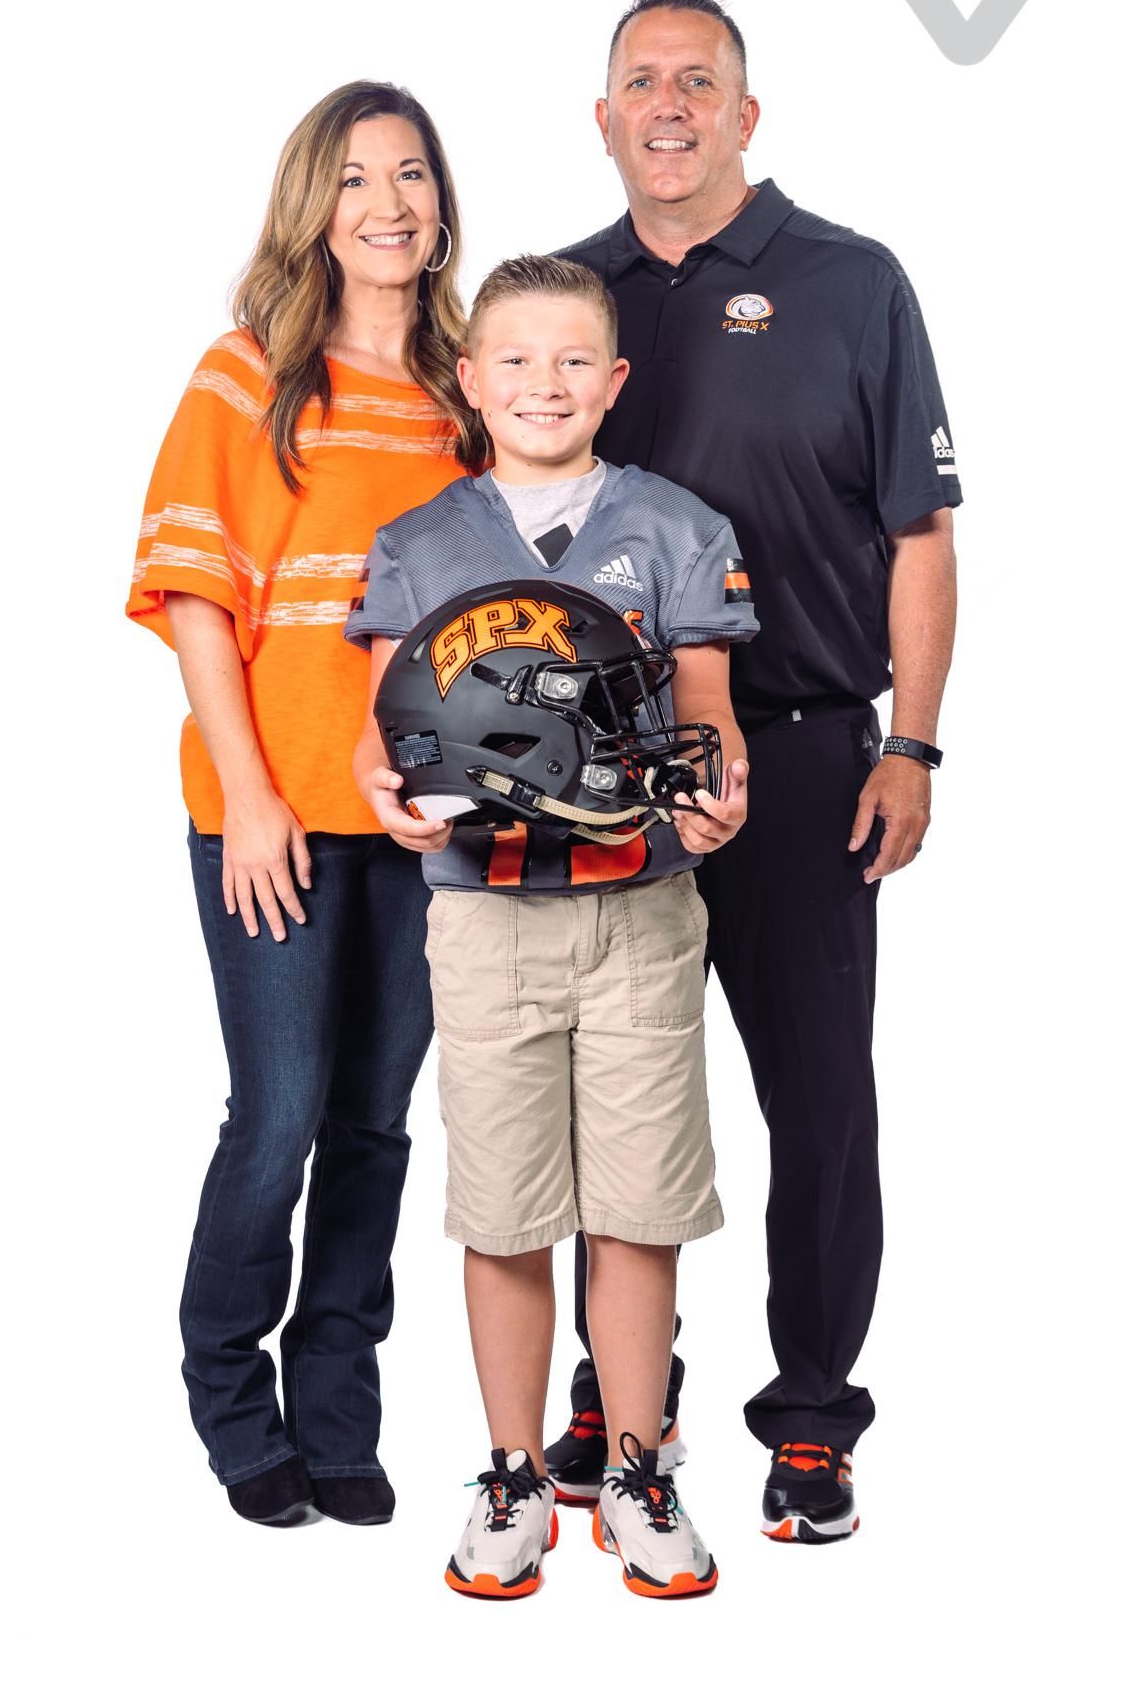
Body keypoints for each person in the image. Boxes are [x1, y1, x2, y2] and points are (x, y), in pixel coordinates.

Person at [543, 0, 961, 1544]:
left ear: (744, 114)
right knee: (606, 1108)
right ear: (603, 119)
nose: (670, 104)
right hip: (599, 771)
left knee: (820, 1107)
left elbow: (922, 538)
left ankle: (812, 1421)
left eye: (698, 81)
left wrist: (910, 742)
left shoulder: (853, 282)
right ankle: (615, 1389)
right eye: (642, 81)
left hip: (799, 760)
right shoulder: (562, 301)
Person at [348, 254, 758, 1597]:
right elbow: (382, 740)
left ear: (616, 379)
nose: (546, 384)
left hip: (640, 913)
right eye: (516, 360)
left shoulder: (679, 528)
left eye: (575, 359)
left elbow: (709, 724)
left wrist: (718, 799)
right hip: (487, 922)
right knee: (507, 1210)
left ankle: (637, 1471)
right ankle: (514, 1472)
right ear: (470, 380)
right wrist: (388, 798)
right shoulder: (419, 543)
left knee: (638, 1210)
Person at [126, 81, 485, 1528]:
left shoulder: (469, 394)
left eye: (410, 175)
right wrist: (253, 797)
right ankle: (226, 1390)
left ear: (441, 203)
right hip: (271, 813)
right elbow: (196, 598)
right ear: (312, 209)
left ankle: (336, 1404)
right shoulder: (249, 376)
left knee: (376, 1125)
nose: (386, 204)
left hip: (423, 825)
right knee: (276, 1118)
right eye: (353, 179)